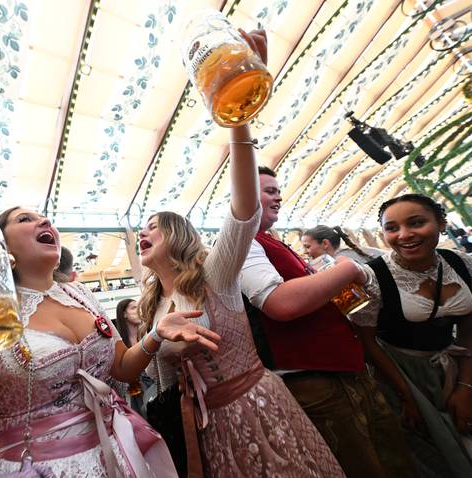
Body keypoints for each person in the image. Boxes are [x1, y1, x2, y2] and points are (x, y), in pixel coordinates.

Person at [139, 29, 343, 478]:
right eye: (141, 227)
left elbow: (244, 211)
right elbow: (155, 379)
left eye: (154, 225)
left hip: (258, 405)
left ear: (179, 236)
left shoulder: (215, 273)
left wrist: (237, 119)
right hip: (207, 428)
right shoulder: (150, 304)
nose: (142, 232)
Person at [0, 207, 221, 477]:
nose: (44, 222)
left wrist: (156, 333)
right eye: (25, 219)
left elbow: (122, 368)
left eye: (45, 218)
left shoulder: (80, 294)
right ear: (0, 249)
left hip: (116, 458)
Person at [239, 165, 417, 477]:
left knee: (392, 460)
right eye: (269, 191)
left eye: (278, 191)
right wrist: (348, 270)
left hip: (344, 370)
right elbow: (280, 303)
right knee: (363, 467)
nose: (278, 197)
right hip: (315, 381)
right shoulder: (242, 241)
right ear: (243, 194)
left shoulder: (269, 240)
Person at [350, 193, 472, 477]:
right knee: (437, 450)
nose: (404, 235)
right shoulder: (371, 277)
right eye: (392, 228)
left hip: (463, 360)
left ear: (441, 223)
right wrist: (407, 397)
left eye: (416, 223)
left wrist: (466, 388)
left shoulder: (462, 263)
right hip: (403, 373)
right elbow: (367, 343)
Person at [115, 299, 154, 416]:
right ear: (124, 314)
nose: (139, 311)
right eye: (133, 308)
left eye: (139, 307)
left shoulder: (147, 336)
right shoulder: (119, 343)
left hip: (153, 387)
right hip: (134, 394)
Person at [301, 224, 382, 263]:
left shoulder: (340, 263)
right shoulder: (358, 252)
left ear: (325, 243)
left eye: (307, 246)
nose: (305, 251)